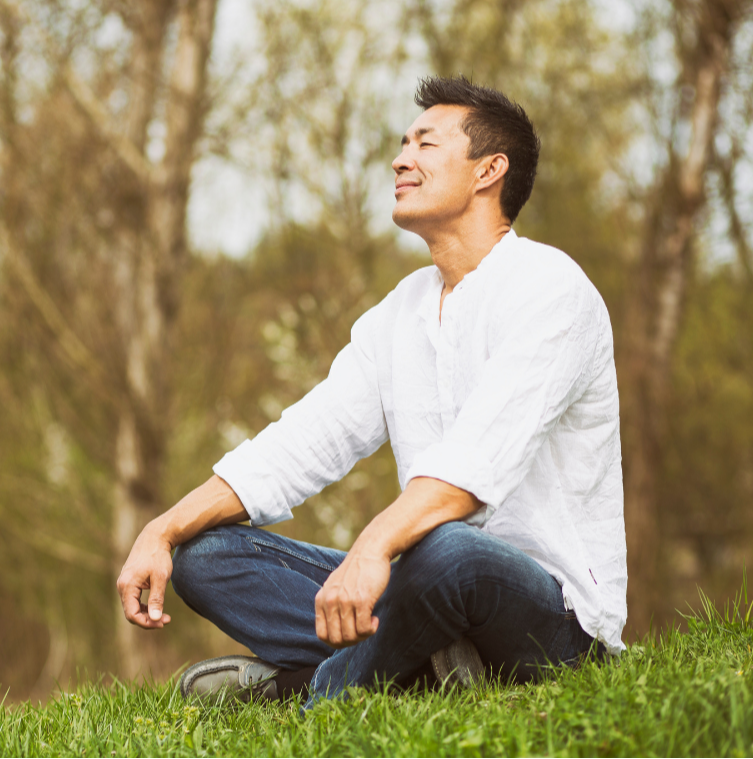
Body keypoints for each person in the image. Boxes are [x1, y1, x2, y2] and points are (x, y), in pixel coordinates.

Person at [115, 75, 626, 708]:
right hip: (423, 586)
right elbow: (301, 443)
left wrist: (374, 546)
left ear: (489, 171)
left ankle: (312, 694)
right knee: (206, 554)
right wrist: (163, 531)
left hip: (553, 621)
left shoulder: (550, 289)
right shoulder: (400, 313)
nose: (400, 159)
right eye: (403, 143)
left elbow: (470, 474)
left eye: (425, 143)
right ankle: (427, 668)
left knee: (447, 549)